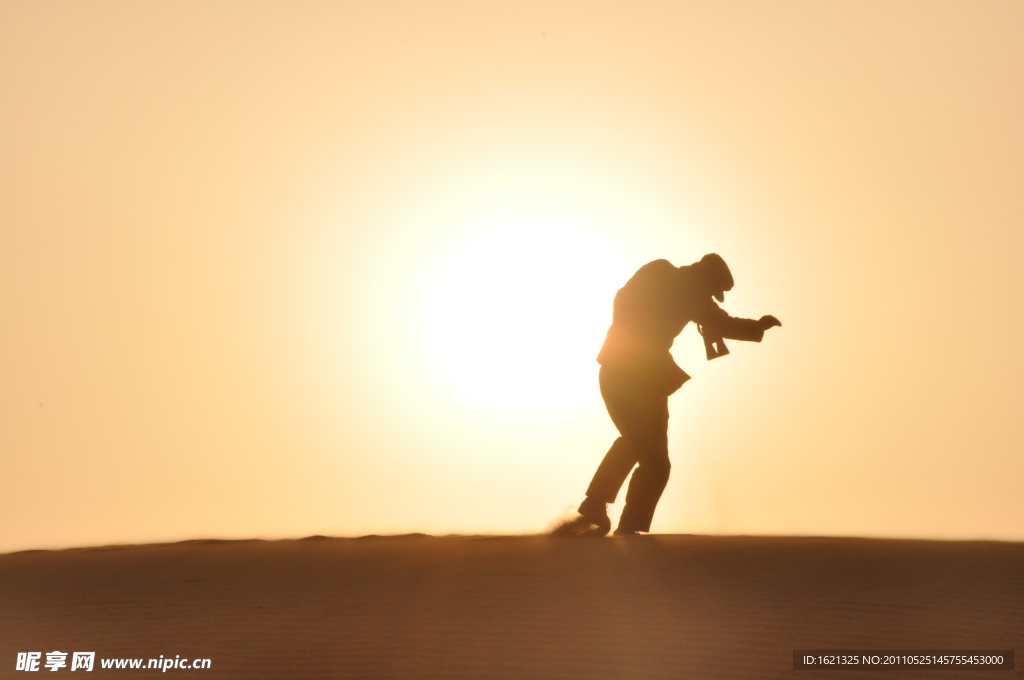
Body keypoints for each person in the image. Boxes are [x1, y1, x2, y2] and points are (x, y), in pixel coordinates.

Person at [556, 253, 781, 537]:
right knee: (638, 443)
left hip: (648, 377)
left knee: (657, 462)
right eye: (712, 291)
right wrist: (755, 326)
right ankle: (595, 506)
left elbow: (717, 319)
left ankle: (627, 527)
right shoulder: (671, 280)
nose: (710, 297)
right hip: (624, 372)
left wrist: (754, 326)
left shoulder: (680, 287)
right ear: (704, 278)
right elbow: (627, 300)